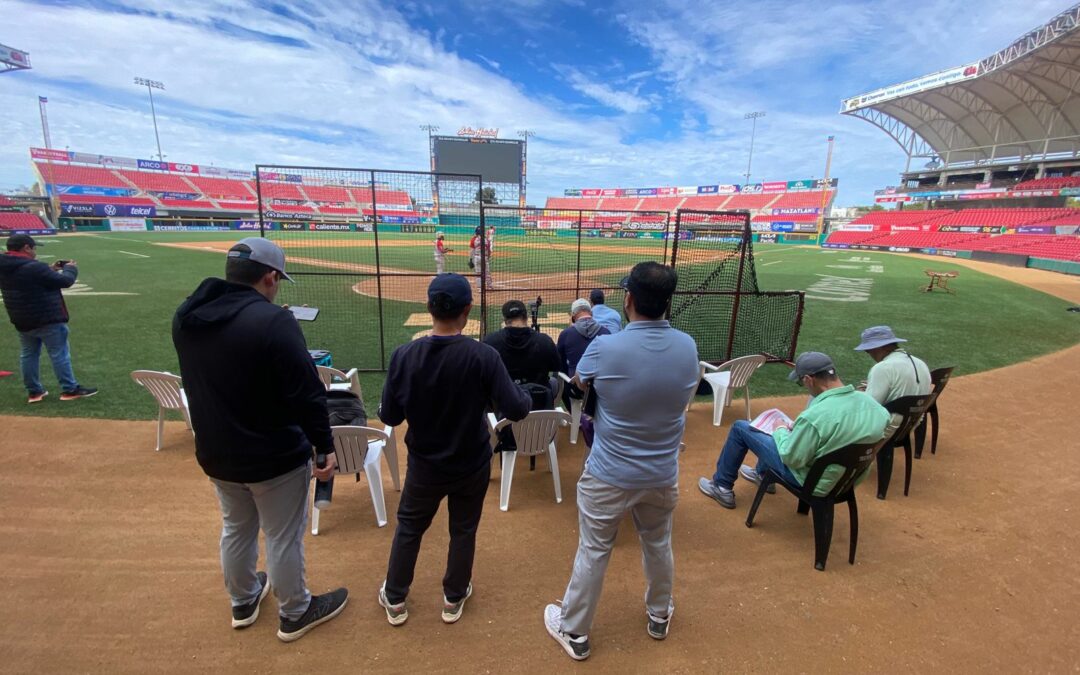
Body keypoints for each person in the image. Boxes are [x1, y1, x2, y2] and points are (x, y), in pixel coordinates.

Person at [172, 237, 348, 642]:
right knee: (283, 536)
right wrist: (324, 447)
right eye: (277, 280)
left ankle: (244, 600)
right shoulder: (273, 321)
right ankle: (295, 612)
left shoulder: (187, 315)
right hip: (273, 454)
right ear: (269, 277)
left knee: (236, 527)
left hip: (216, 450)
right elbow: (307, 394)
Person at [544, 262, 699, 661]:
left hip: (609, 474)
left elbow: (579, 383)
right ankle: (659, 613)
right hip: (662, 473)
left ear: (628, 300)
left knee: (594, 549)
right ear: (668, 302)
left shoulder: (606, 346)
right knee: (658, 542)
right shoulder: (688, 345)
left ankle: (575, 630)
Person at [378, 273, 530, 627]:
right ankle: (453, 597)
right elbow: (518, 409)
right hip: (470, 461)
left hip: (425, 465)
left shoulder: (405, 355)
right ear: (467, 310)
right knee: (463, 529)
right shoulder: (484, 356)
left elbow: (389, 414)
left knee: (410, 528)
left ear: (429, 308)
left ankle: (396, 598)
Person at [697, 351, 890, 510]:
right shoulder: (875, 407)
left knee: (742, 428)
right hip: (846, 481)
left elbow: (792, 458)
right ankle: (762, 474)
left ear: (808, 379)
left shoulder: (815, 417)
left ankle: (722, 487)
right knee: (786, 433)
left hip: (812, 481)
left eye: (801, 382)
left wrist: (780, 430)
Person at [0, 233, 96, 403]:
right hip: (46, 318)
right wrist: (71, 269)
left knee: (28, 355)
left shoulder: (6, 266)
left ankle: (34, 392)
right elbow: (65, 281)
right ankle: (69, 389)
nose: (35, 251)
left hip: (21, 319)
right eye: (33, 248)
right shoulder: (34, 267)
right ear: (26, 248)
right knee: (59, 354)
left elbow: (28, 278)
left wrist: (50, 270)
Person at [855, 325, 932, 433]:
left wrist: (859, 394)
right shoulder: (920, 363)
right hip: (912, 424)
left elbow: (870, 407)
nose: (869, 354)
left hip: (888, 429)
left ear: (881, 347)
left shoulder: (882, 368)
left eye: (868, 350)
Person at [482, 299, 560, 402]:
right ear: (526, 317)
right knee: (554, 381)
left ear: (505, 320)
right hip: (539, 402)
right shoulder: (544, 340)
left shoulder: (490, 341)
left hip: (504, 405)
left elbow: (483, 373)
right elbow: (557, 366)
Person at [556, 298, 610, 411]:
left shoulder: (566, 334)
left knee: (558, 378)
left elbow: (559, 364)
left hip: (576, 387)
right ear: (591, 313)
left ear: (573, 315)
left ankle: (577, 418)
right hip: (602, 387)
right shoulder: (606, 332)